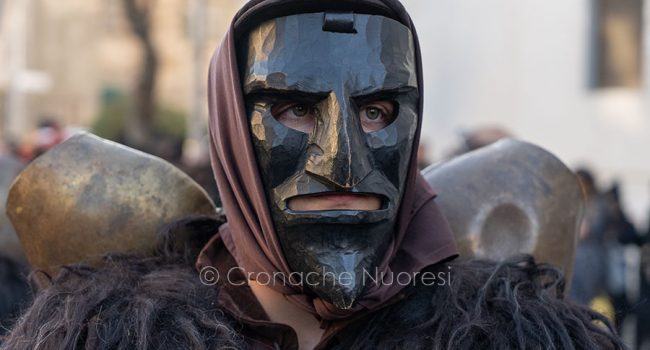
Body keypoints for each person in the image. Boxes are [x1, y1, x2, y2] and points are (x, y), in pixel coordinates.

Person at [2, 0, 625, 349]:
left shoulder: (508, 337)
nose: (343, 163)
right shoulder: (110, 337)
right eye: (296, 110)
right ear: (230, 127)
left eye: (378, 111)